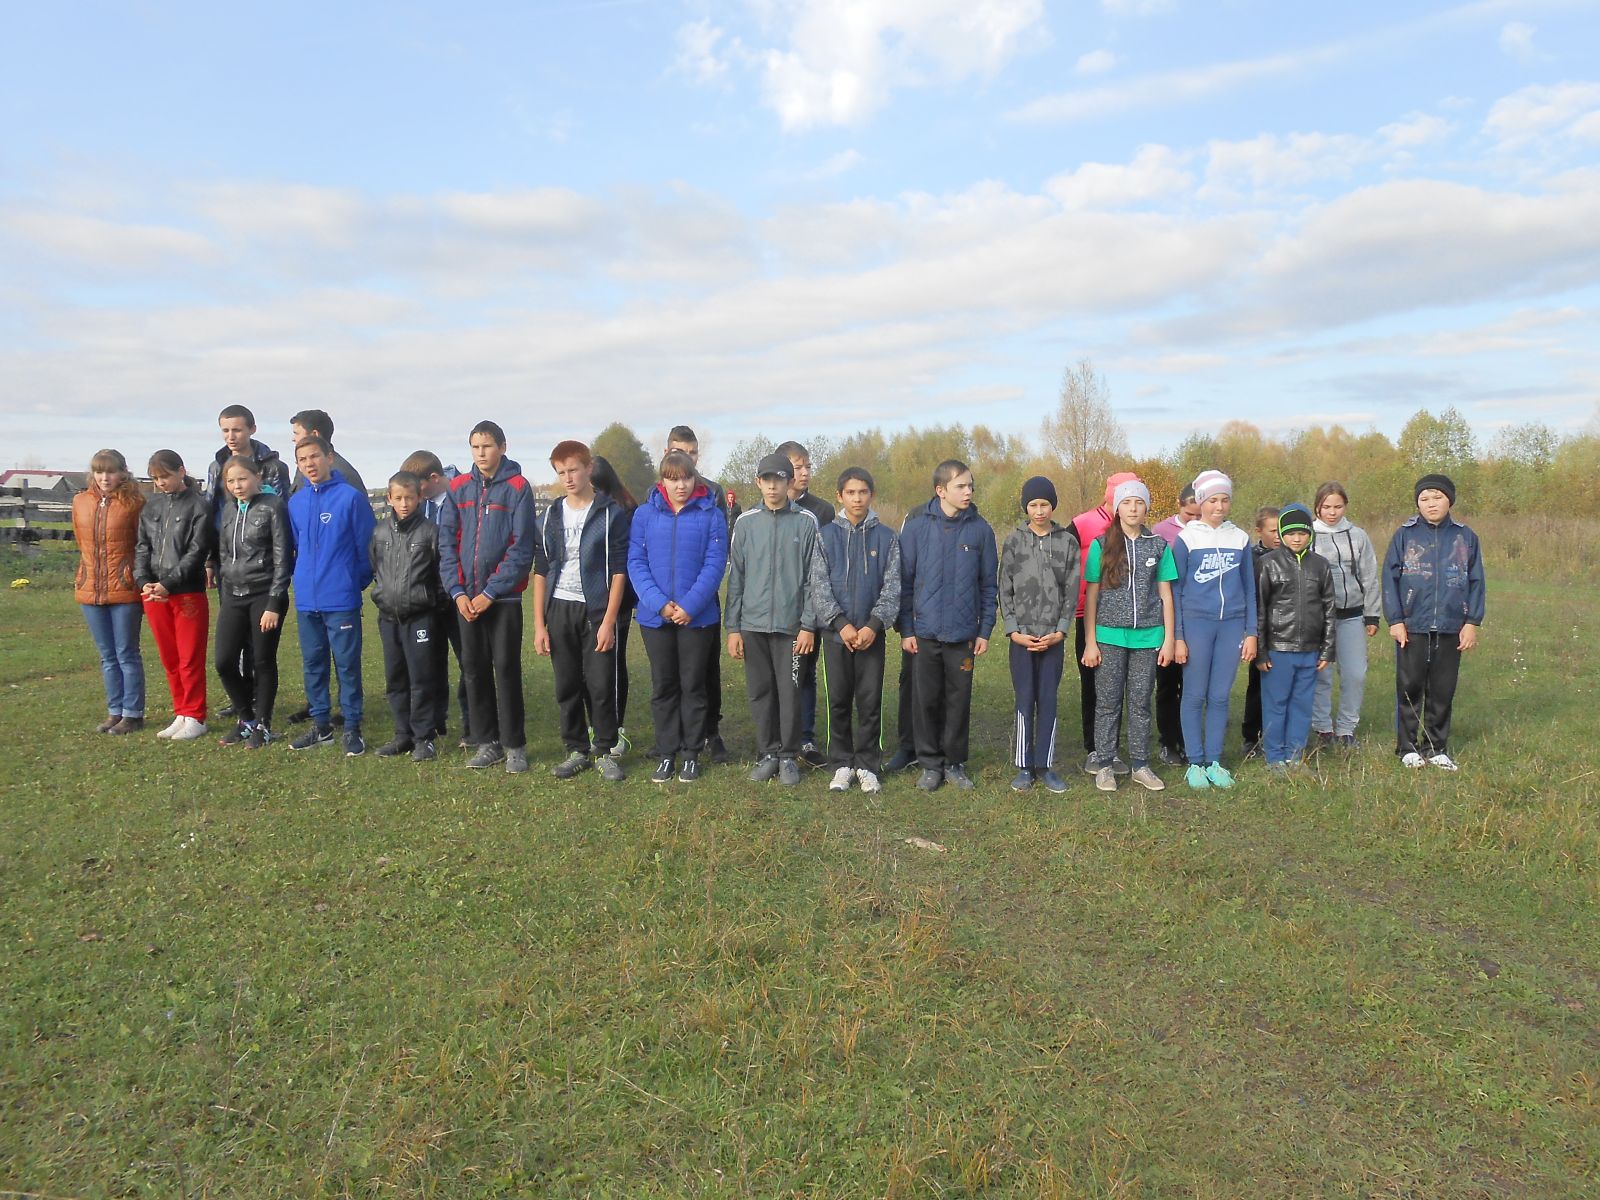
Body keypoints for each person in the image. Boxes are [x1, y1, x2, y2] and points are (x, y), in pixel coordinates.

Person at [437, 421, 536, 772]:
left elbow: (521, 547)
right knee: (474, 670)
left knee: (506, 669)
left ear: (502, 447)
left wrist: (491, 591)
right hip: (466, 600)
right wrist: (457, 592)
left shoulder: (518, 487)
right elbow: (447, 543)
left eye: (487, 446)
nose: (481, 453)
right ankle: (486, 742)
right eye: (475, 447)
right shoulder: (458, 487)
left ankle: (514, 745)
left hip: (503, 599)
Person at [898, 459, 998, 793]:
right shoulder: (916, 528)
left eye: (970, 486)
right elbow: (904, 583)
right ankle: (929, 763)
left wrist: (984, 631)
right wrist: (906, 629)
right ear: (941, 490)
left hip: (963, 634)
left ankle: (954, 762)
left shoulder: (981, 530)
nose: (968, 492)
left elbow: (989, 586)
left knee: (958, 700)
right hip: (924, 633)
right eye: (961, 486)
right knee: (925, 699)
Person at [533, 441, 631, 782]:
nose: (568, 478)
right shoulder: (549, 516)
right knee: (567, 683)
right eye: (561, 472)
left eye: (573, 469)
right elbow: (541, 570)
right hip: (559, 608)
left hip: (596, 611)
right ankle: (576, 749)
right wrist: (539, 624)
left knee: (601, 684)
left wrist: (608, 620)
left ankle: (604, 750)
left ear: (588, 468)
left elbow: (618, 571)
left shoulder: (610, 514)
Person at [629, 450, 728, 784]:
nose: (680, 485)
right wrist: (659, 604)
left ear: (694, 478)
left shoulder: (711, 515)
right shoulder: (644, 515)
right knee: (664, 685)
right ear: (662, 481)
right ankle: (666, 752)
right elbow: (636, 562)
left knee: (693, 686)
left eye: (686, 478)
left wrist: (689, 606)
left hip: (697, 618)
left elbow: (715, 564)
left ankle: (691, 754)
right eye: (673, 479)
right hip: (655, 617)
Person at [1381, 474, 1485, 771]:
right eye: (1424, 499)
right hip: (1413, 624)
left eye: (1437, 497)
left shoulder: (1465, 537)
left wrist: (1471, 621)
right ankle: (1408, 748)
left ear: (1449, 500)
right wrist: (1396, 619)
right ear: (1417, 503)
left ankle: (1436, 747)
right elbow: (1389, 578)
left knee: (1442, 689)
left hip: (1452, 626)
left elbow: (1476, 581)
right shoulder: (1405, 535)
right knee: (1410, 686)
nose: (1431, 503)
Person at [727, 453, 819, 786]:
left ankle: (788, 756)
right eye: (766, 480)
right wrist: (733, 628)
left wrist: (808, 625)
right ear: (758, 482)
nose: (772, 486)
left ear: (789, 482)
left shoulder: (806, 522)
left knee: (790, 692)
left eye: (778, 479)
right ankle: (768, 753)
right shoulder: (745, 522)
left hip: (791, 628)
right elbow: (736, 578)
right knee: (760, 691)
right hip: (752, 625)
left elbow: (814, 579)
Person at [809, 467, 900, 795]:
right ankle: (841, 763)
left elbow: (893, 586)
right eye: (851, 493)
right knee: (839, 700)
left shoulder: (887, 538)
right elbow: (819, 585)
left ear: (871, 495)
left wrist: (874, 625)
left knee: (870, 701)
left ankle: (867, 765)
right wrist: (841, 624)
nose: (857, 498)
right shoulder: (825, 536)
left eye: (863, 492)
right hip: (837, 637)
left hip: (871, 637)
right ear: (840, 496)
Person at [1080, 479, 1174, 793]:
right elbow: (1092, 596)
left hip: (1148, 637)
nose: (1133, 508)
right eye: (1127, 502)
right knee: (1108, 703)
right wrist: (1090, 641)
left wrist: (1168, 639)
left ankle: (1140, 764)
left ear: (1147, 508)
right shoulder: (1101, 544)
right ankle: (1105, 764)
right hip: (1108, 637)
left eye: (1139, 502)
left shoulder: (1158, 545)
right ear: (1117, 508)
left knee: (1140, 702)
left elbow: (1166, 595)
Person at [286, 435, 375, 756]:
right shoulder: (295, 503)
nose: (309, 464)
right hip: (307, 600)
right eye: (302, 459)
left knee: (347, 666)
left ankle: (352, 727)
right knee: (313, 664)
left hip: (341, 599)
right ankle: (321, 725)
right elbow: (298, 548)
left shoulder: (350, 498)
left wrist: (351, 584)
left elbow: (367, 550)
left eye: (314, 456)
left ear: (329, 457)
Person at [1171, 470, 1257, 790]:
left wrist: (1251, 632)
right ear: (1201, 502)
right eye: (1212, 501)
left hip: (1232, 624)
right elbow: (1175, 591)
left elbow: (1249, 589)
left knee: (1220, 695)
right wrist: (1178, 636)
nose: (1219, 506)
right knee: (1194, 694)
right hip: (1197, 623)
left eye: (1224, 500)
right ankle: (1195, 762)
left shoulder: (1240, 538)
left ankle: (1214, 761)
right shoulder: (1186, 539)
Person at [999, 476, 1080, 794]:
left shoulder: (1067, 542)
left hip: (1052, 639)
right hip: (1022, 639)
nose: (1039, 510)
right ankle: (1024, 766)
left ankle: (1045, 765)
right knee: (1025, 698)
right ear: (1026, 507)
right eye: (1033, 505)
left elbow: (1071, 591)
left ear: (1052, 506)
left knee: (1048, 699)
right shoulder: (1014, 541)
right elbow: (1004, 589)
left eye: (1044, 504)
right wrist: (1013, 631)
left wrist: (1061, 630)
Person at [665, 426, 736, 763]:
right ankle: (674, 736)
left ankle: (712, 732)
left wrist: (696, 598)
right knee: (670, 672)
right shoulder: (657, 491)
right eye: (680, 451)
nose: (687, 458)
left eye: (692, 453)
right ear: (667, 453)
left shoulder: (712, 491)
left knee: (706, 669)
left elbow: (716, 549)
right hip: (667, 600)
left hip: (702, 597)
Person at [134, 450, 214, 741]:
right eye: (156, 478)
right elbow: (142, 546)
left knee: (189, 656)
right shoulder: (151, 505)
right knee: (169, 657)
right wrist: (143, 581)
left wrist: (169, 583)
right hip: (154, 593)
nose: (161, 483)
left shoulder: (199, 506)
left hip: (186, 591)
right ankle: (181, 711)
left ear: (181, 471)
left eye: (165, 476)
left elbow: (197, 551)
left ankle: (195, 715)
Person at [213, 456, 292, 748]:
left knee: (262, 660)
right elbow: (224, 553)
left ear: (257, 477)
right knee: (224, 661)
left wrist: (274, 602)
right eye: (231, 481)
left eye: (243, 479)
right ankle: (245, 718)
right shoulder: (229, 509)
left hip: (264, 593)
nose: (237, 486)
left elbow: (283, 558)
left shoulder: (273, 506)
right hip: (233, 595)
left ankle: (263, 723)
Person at [370, 470, 445, 762]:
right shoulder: (379, 533)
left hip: (420, 617)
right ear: (389, 498)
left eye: (409, 498)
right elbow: (375, 567)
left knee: (422, 678)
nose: (404, 504)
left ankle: (424, 738)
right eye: (398, 498)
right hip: (389, 617)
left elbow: (440, 574)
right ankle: (402, 734)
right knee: (395, 678)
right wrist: (383, 596)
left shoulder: (430, 532)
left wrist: (431, 603)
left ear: (419, 498)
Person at [1256, 503, 1336, 775]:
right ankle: (1274, 757)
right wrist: (1261, 651)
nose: (1297, 538)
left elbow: (1329, 609)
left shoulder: (1321, 565)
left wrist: (1327, 650)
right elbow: (1260, 609)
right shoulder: (1268, 563)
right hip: (1278, 648)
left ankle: (1295, 755)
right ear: (1281, 534)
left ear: (1310, 534)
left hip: (1310, 649)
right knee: (1276, 703)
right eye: (1290, 533)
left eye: (1302, 533)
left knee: (1302, 705)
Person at [1069, 471, 1140, 774]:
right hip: (1086, 614)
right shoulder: (1081, 524)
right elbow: (1064, 563)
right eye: (1120, 496)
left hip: (1124, 618)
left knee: (1117, 687)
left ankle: (1112, 749)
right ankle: (1094, 749)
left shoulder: (1134, 526)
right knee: (1092, 685)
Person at [72, 449, 146, 734]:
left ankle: (133, 713)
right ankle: (115, 711)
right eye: (99, 471)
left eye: (111, 471)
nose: (105, 477)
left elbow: (142, 544)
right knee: (107, 655)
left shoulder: (134, 503)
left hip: (124, 589)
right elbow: (80, 541)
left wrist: (132, 575)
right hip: (90, 589)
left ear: (123, 472)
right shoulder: (80, 501)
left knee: (127, 653)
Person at [402, 450, 469, 744]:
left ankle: (471, 722)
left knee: (468, 660)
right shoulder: (421, 505)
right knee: (431, 660)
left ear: (433, 478)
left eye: (418, 487)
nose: (414, 494)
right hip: (428, 596)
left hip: (459, 593)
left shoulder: (462, 498)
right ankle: (436, 720)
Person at [775, 439, 834, 768]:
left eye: (808, 466)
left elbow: (822, 566)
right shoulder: (766, 507)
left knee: (806, 674)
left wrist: (812, 616)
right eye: (798, 467)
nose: (805, 472)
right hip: (773, 610)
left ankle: (806, 737)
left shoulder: (822, 511)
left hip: (810, 609)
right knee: (777, 677)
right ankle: (777, 739)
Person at [1311, 482, 1381, 748]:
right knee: (1322, 674)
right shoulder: (1308, 534)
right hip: (1319, 617)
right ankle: (1322, 728)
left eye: (1338, 507)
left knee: (1355, 674)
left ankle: (1346, 728)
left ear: (1345, 506)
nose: (1332, 512)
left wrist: (1372, 614)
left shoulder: (1358, 535)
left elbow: (1369, 575)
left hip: (1351, 615)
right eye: (1326, 507)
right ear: (1317, 506)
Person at [590, 454, 638, 756]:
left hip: (617, 597)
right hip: (588, 597)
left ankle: (616, 727)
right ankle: (595, 724)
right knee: (591, 664)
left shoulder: (625, 509)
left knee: (614, 662)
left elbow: (627, 557)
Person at [1151, 484, 1199, 765]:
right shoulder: (1161, 532)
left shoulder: (1212, 532)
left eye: (1198, 515)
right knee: (1168, 683)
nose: (1194, 520)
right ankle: (1169, 741)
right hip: (1166, 617)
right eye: (1189, 514)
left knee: (1193, 685)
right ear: (1179, 505)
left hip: (1198, 619)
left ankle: (1190, 740)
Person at [205, 405, 290, 524]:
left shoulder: (274, 467)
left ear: (252, 429)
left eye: (237, 430)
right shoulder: (216, 466)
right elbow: (210, 506)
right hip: (224, 532)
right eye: (225, 431)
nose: (231, 437)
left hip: (260, 531)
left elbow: (281, 511)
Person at [1240, 506, 1281, 757]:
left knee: (1281, 687)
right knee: (1257, 685)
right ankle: (1251, 736)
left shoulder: (1291, 556)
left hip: (1285, 630)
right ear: (1259, 531)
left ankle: (1277, 734)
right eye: (1272, 531)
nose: (1278, 536)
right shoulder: (1252, 558)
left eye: (1281, 530)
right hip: (1259, 629)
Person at [289, 409, 367, 496]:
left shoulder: (344, 474)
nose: (293, 439)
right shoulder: (305, 466)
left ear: (314, 434)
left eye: (296, 433)